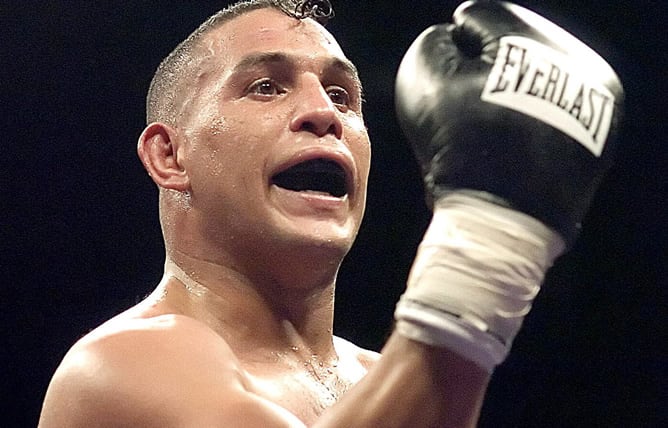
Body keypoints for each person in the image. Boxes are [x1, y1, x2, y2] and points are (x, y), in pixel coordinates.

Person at [38, 0, 623, 426]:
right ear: (170, 155)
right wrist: (494, 236)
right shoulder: (119, 366)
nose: (324, 113)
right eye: (266, 86)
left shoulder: (392, 380)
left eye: (343, 96)